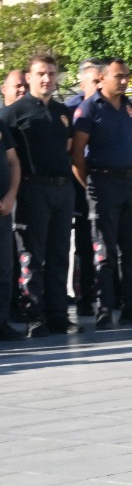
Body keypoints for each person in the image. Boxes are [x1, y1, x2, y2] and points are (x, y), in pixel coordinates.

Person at [71, 58, 132, 328]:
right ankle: (105, 308)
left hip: (130, 183)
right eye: (118, 76)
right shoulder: (88, 108)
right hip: (103, 182)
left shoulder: (128, 107)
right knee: (104, 252)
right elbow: (77, 155)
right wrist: (91, 186)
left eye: (126, 76)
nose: (124, 80)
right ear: (102, 78)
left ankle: (131, 306)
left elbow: (131, 143)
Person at [1, 54, 76, 337]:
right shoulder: (13, 113)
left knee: (59, 255)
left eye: (52, 73)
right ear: (30, 77)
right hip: (33, 189)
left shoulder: (62, 111)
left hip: (62, 189)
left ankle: (58, 316)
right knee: (32, 255)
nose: (47, 79)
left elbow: (68, 147)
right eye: (41, 73)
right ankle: (34, 316)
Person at [64, 60, 100, 317]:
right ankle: (84, 295)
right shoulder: (71, 109)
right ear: (82, 82)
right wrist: (84, 184)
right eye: (94, 82)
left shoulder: (113, 107)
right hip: (80, 184)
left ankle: (111, 294)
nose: (99, 87)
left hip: (106, 183)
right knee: (85, 244)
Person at [0, 113, 22, 340]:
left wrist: (11, 196)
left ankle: (2, 323)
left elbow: (13, 161)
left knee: (4, 270)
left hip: (3, 208)